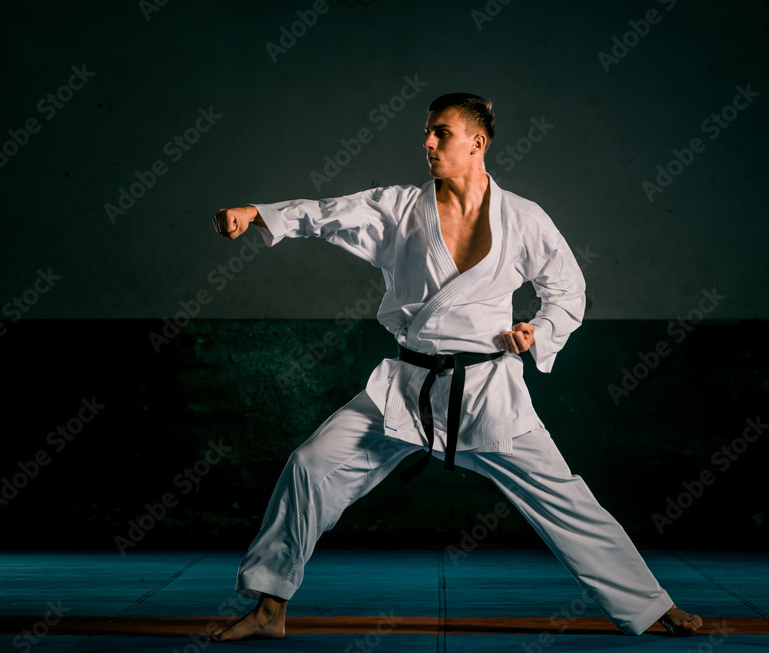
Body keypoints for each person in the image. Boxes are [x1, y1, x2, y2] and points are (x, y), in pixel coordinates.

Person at [209, 93, 703, 641]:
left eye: (440, 132)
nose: (427, 142)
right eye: (427, 132)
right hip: (408, 388)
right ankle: (270, 607)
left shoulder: (523, 218)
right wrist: (259, 214)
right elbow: (329, 214)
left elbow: (568, 291)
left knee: (566, 501)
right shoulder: (399, 208)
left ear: (477, 142)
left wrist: (537, 331)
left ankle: (651, 607)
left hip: (488, 392)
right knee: (309, 466)